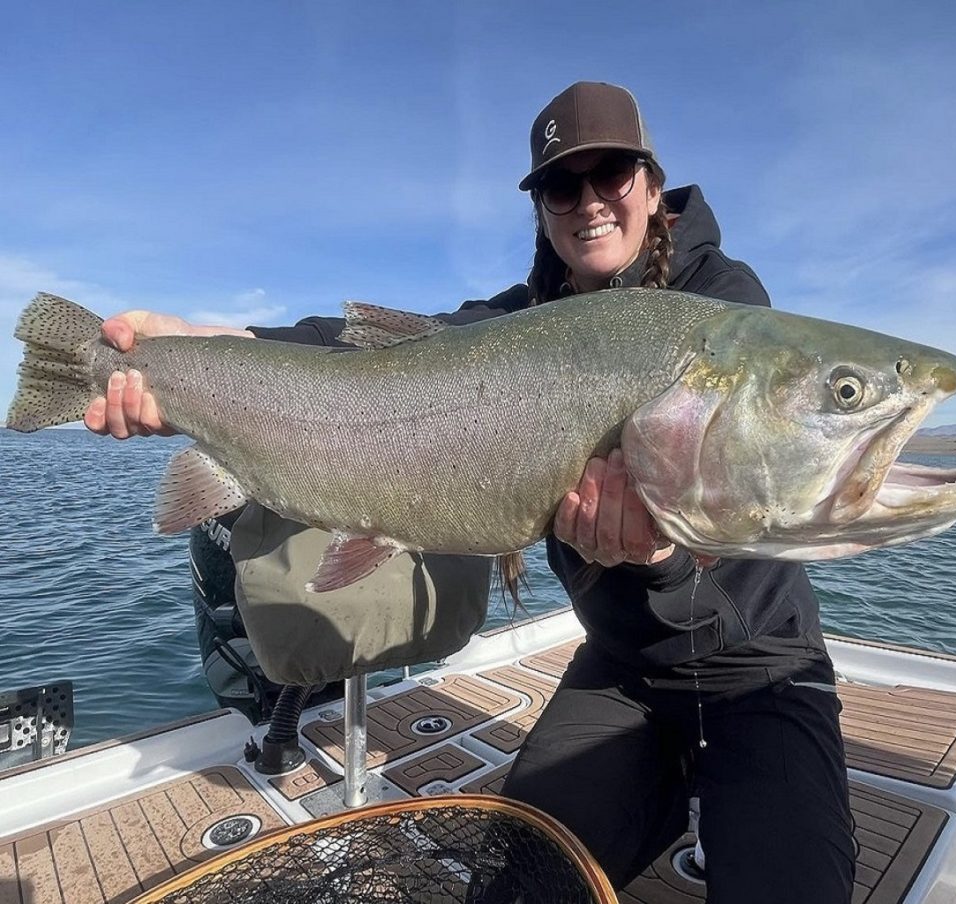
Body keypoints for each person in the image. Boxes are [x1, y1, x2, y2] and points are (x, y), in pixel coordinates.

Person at [85, 81, 856, 901]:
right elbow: (346, 351)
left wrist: (664, 549)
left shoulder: (726, 310)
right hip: (624, 671)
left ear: (654, 186)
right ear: (542, 208)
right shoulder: (517, 320)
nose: (590, 200)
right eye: (564, 184)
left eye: (613, 174)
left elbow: (746, 494)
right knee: (514, 886)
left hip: (761, 670)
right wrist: (190, 347)